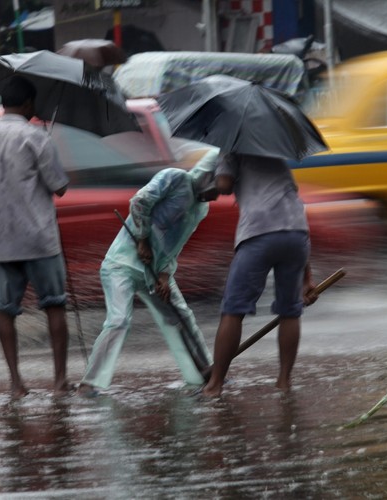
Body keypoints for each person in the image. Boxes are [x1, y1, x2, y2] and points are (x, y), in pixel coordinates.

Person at [77, 149, 220, 396]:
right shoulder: (175, 178)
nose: (221, 193)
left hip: (153, 272)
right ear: (209, 175)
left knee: (181, 316)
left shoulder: (201, 208)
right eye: (221, 184)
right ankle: (89, 383)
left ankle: (202, 372)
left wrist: (165, 274)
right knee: (119, 320)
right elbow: (140, 201)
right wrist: (142, 239)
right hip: (121, 264)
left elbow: (176, 246)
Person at [0, 76, 71, 398]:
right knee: (54, 307)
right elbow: (60, 186)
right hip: (39, 238)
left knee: (5, 311)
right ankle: (59, 382)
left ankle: (15, 383)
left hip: (0, 241)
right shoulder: (36, 137)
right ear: (27, 104)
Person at [201, 153, 318, 398]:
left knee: (233, 309)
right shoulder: (276, 154)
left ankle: (214, 385)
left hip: (258, 233)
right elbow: (293, 210)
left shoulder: (232, 148)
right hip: (297, 235)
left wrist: (204, 189)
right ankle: (284, 382)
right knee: (290, 310)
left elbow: (223, 185)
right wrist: (307, 279)